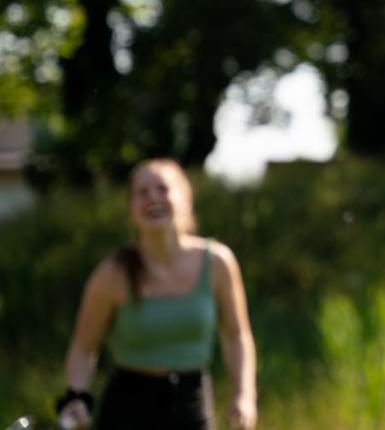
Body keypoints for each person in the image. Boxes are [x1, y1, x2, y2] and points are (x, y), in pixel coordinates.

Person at [57, 158, 257, 429]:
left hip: (192, 403)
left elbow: (236, 335)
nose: (153, 197)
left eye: (163, 188)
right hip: (126, 409)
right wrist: (77, 396)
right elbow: (84, 346)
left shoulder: (218, 263)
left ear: (186, 199)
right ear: (131, 209)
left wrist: (244, 395)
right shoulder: (112, 274)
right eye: (142, 192)